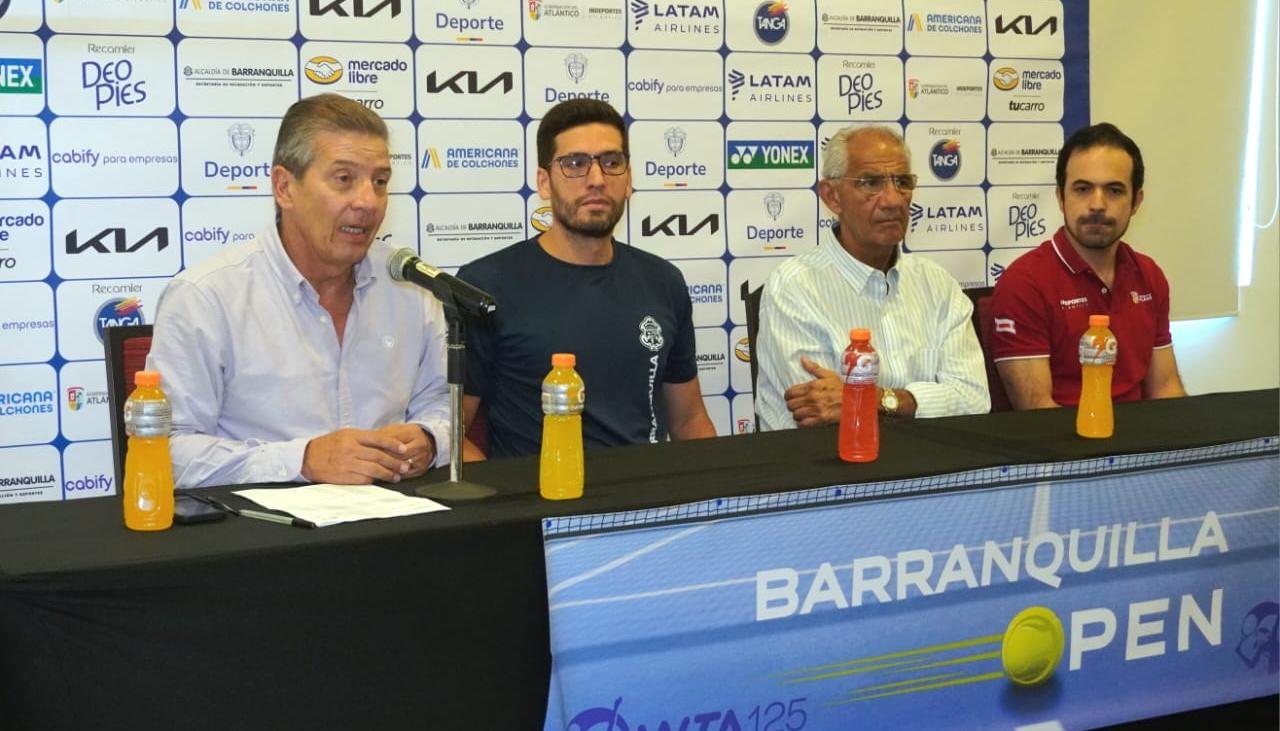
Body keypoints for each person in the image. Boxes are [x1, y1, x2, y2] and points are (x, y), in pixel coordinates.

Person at [147, 93, 450, 488]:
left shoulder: (410, 286)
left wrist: (429, 438)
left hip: (392, 525)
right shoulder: (206, 297)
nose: (367, 202)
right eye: (344, 179)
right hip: (261, 534)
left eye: (379, 182)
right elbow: (165, 451)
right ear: (284, 187)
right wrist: (302, 461)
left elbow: (442, 404)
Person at [457, 98, 716, 458]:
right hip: (541, 503)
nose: (596, 180)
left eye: (612, 163)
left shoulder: (664, 281)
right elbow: (454, 433)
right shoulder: (485, 285)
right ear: (544, 182)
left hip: (646, 500)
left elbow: (689, 421)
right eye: (575, 164)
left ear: (628, 180)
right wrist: (504, 505)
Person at [755, 125, 989, 430]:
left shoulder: (938, 285)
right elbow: (820, 415)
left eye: (902, 182)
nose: (893, 200)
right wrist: (918, 404)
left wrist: (874, 400)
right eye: (871, 183)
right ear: (832, 196)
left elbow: (974, 401)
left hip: (928, 470)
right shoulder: (795, 287)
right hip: (825, 472)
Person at [989, 122, 1185, 409]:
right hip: (1067, 447)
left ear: (1136, 201)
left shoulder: (1149, 275)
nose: (1097, 204)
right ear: (1060, 197)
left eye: (1114, 190)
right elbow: (1036, 409)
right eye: (1082, 189)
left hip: (1145, 446)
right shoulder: (1024, 283)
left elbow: (1166, 387)